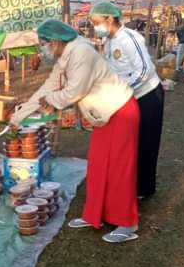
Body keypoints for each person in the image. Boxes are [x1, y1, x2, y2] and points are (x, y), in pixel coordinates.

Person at [10, 19, 140, 243]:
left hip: (120, 111)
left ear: (55, 41)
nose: (43, 48)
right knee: (98, 166)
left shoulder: (82, 52)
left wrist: (51, 101)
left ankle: (127, 223)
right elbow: (48, 87)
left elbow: (74, 91)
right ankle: (94, 215)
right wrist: (19, 116)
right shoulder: (65, 56)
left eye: (44, 43)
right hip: (104, 115)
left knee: (119, 169)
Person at [89, 2, 164, 199]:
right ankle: (128, 181)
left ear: (109, 19)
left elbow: (145, 70)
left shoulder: (130, 38)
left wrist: (122, 90)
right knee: (129, 141)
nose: (95, 27)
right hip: (126, 97)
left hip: (147, 94)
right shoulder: (109, 41)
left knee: (146, 141)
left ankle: (144, 188)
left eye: (97, 22)